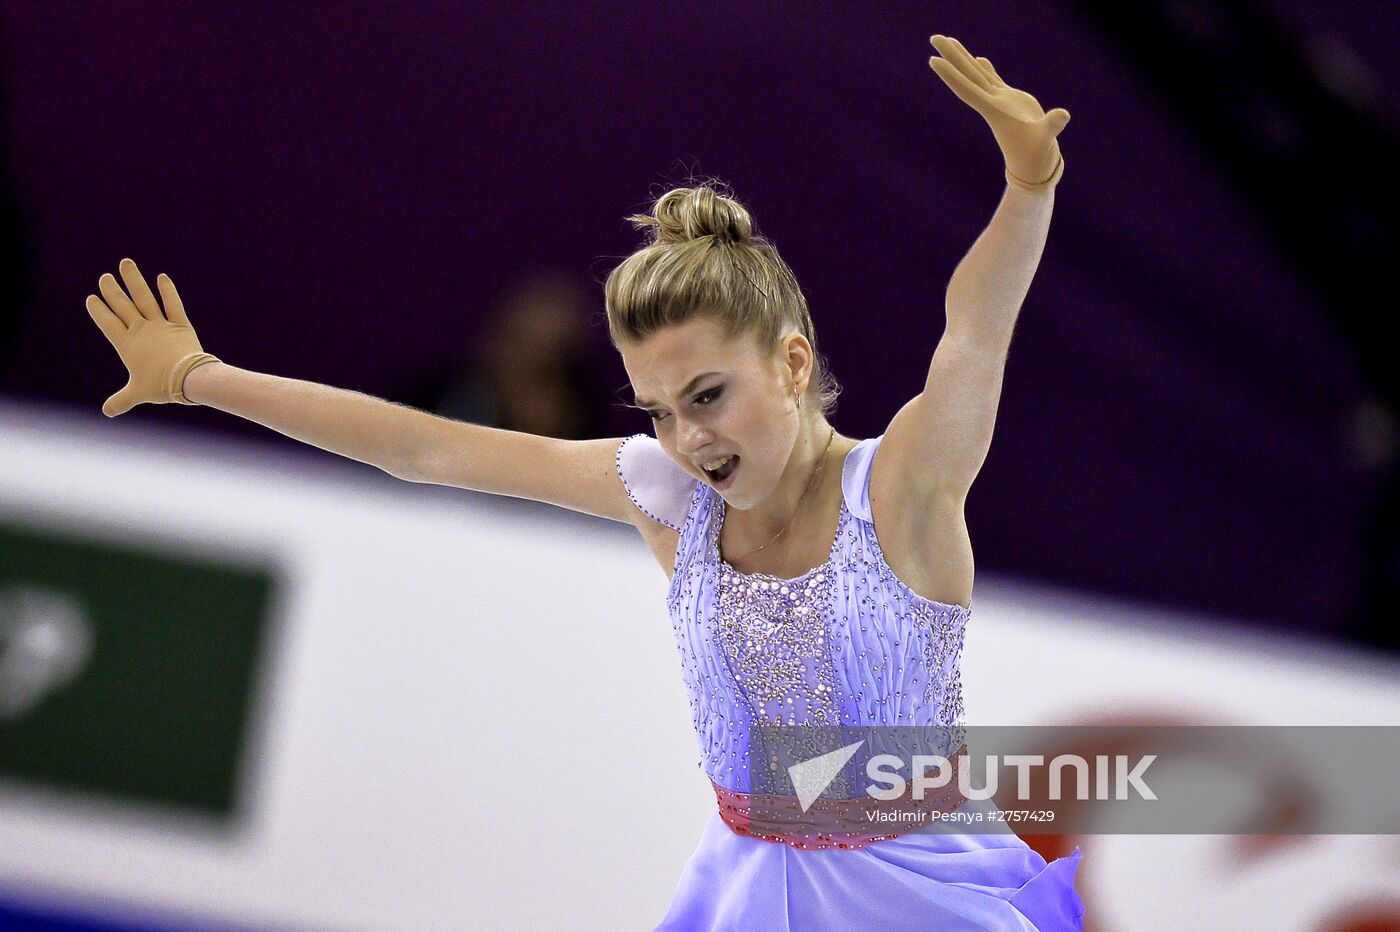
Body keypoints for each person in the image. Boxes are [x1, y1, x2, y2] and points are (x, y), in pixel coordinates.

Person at [84, 33, 1080, 931]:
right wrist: (200, 378)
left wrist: (1026, 185)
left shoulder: (898, 485)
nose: (686, 436)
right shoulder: (668, 496)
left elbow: (973, 329)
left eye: (705, 394)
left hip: (910, 894)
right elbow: (424, 448)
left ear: (788, 360)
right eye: (656, 408)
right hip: (746, 884)